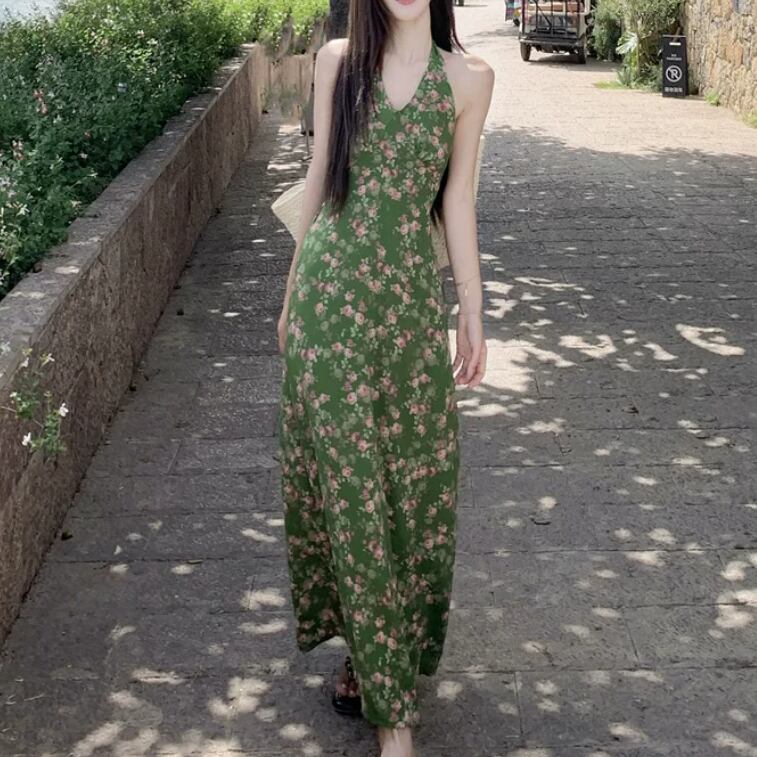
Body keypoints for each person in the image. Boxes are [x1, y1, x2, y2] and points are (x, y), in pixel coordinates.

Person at [276, 0, 493, 754]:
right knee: (349, 491)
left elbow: (456, 196)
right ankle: (391, 715)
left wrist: (471, 309)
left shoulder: (469, 79)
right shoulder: (337, 63)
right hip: (328, 304)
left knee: (414, 488)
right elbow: (319, 176)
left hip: (407, 313)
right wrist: (289, 296)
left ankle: (376, 656)